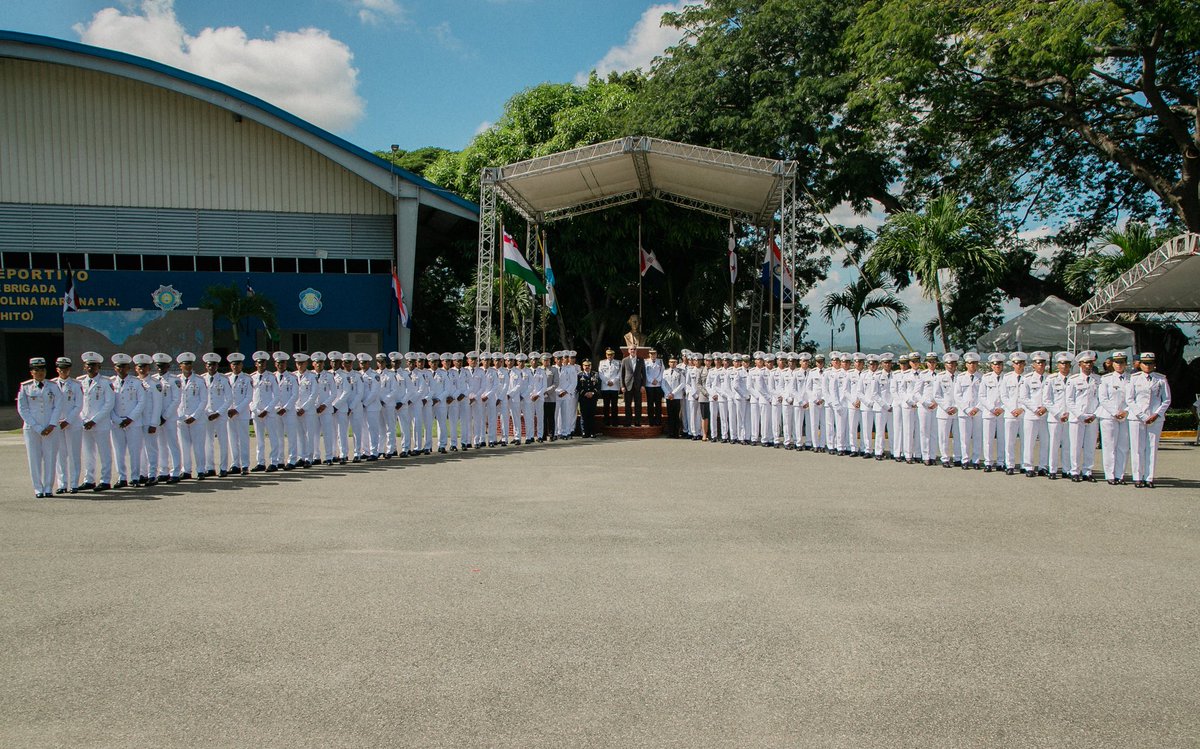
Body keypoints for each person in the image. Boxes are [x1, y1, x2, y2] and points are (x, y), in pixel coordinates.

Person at [17, 357, 63, 498]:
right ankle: (38, 488)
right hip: (32, 429)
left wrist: (52, 424)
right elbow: (22, 409)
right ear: (32, 372)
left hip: (51, 427)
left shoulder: (53, 386)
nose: (40, 372)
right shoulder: (25, 387)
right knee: (34, 459)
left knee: (50, 458)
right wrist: (37, 427)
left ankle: (48, 487)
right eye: (37, 370)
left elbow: (58, 406)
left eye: (42, 369)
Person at [1127, 351, 1171, 488]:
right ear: (1140, 364)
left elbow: (1167, 399)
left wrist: (1156, 414)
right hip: (1137, 418)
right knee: (1137, 448)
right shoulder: (1134, 378)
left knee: (1152, 448)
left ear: (1154, 365)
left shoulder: (1161, 379)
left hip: (1155, 418)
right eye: (1145, 363)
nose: (1147, 366)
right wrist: (1142, 415)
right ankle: (1137, 477)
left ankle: (1149, 477)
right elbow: (1129, 399)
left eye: (1150, 363)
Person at [78, 351, 115, 492]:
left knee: (104, 453)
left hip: (101, 423)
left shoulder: (106, 382)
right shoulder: (80, 381)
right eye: (88, 365)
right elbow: (78, 402)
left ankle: (105, 480)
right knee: (88, 453)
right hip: (84, 422)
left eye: (94, 365)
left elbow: (109, 404)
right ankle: (89, 480)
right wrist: (83, 418)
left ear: (99, 367)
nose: (91, 368)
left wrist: (94, 420)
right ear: (84, 366)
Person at [109, 352, 144, 488]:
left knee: (135, 451)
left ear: (128, 368)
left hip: (133, 422)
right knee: (118, 452)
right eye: (119, 367)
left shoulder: (136, 382)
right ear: (115, 368)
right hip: (116, 422)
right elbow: (108, 403)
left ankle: (135, 477)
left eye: (124, 367)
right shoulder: (111, 383)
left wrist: (130, 418)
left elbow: (141, 402)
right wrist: (116, 419)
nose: (121, 369)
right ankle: (122, 477)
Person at [1066, 350, 1101, 482]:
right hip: (1077, 418)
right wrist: (1081, 415)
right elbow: (1069, 400)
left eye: (1091, 362)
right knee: (1075, 446)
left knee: (1090, 446)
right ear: (1080, 364)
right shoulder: (1073, 380)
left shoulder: (1098, 379)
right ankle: (1074, 471)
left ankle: (1087, 471)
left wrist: (1094, 414)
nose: (1088, 365)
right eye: (1086, 362)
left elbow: (1100, 399)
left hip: (1092, 418)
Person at [1097, 350, 1131, 484]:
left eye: (1121, 362)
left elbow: (1134, 398)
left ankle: (1120, 474)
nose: (1119, 365)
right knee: (1109, 446)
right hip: (1108, 415)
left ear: (1125, 363)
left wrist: (1125, 411)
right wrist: (1116, 412)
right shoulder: (1106, 379)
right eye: (1117, 362)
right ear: (1112, 364)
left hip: (1126, 416)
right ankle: (1110, 474)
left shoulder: (1132, 379)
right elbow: (1103, 398)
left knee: (1123, 446)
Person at [52, 356, 84, 494]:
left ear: (69, 369)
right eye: (61, 369)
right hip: (57, 424)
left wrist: (68, 420)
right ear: (57, 369)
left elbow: (79, 405)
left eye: (66, 368)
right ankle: (62, 484)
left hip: (73, 423)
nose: (63, 371)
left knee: (74, 454)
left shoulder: (77, 385)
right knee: (60, 455)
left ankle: (74, 484)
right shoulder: (51, 385)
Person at [620, 347, 646, 427]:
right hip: (627, 386)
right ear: (628, 351)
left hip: (638, 386)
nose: (633, 351)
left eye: (634, 349)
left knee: (638, 405)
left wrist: (643, 385)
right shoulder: (625, 360)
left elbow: (644, 374)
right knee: (628, 405)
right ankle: (628, 421)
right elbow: (622, 374)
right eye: (631, 349)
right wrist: (622, 386)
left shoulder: (641, 360)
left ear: (636, 350)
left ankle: (637, 421)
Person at [662, 355, 685, 438]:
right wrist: (668, 393)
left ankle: (676, 433)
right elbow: (663, 384)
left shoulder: (680, 372)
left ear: (677, 363)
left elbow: (682, 384)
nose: (673, 363)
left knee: (676, 415)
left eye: (674, 362)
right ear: (668, 363)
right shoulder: (665, 372)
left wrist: (673, 393)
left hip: (677, 396)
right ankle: (670, 432)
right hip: (668, 396)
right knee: (670, 415)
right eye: (671, 362)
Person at [577, 358, 600, 437]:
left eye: (588, 365)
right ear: (582, 366)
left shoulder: (595, 374)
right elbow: (578, 387)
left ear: (591, 366)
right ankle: (584, 432)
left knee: (591, 415)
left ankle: (592, 432)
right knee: (584, 415)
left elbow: (598, 385)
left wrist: (592, 393)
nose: (587, 367)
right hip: (583, 398)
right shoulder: (579, 375)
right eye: (585, 365)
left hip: (593, 398)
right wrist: (585, 393)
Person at [598, 348, 620, 426]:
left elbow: (619, 373)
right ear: (606, 355)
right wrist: (607, 382)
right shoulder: (602, 362)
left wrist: (613, 381)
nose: (609, 356)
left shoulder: (618, 362)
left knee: (614, 405)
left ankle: (615, 422)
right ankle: (606, 421)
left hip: (614, 387)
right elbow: (600, 374)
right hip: (605, 387)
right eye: (608, 354)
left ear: (613, 355)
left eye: (611, 355)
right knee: (606, 405)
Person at [644, 349, 664, 426]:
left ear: (656, 354)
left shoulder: (660, 362)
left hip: (658, 385)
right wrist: (651, 380)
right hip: (649, 385)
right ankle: (651, 421)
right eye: (651, 354)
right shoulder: (646, 362)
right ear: (649, 354)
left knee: (658, 404)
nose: (653, 355)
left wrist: (658, 380)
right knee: (650, 404)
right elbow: (645, 372)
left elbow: (662, 372)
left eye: (654, 353)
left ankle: (658, 421)